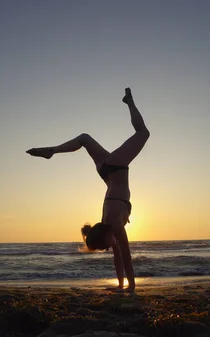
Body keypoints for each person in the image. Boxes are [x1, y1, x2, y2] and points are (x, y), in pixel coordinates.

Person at [26, 87, 149, 292]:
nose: (108, 248)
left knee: (143, 133)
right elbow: (118, 256)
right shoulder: (106, 222)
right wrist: (120, 287)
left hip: (116, 167)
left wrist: (131, 288)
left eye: (104, 246)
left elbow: (125, 256)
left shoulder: (115, 225)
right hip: (105, 171)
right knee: (84, 138)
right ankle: (52, 151)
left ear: (103, 235)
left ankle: (130, 102)